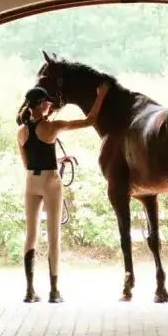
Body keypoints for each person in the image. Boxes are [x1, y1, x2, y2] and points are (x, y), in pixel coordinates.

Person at [16, 82, 108, 303]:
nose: (50, 104)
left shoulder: (21, 130)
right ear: (40, 105)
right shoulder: (52, 127)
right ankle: (54, 291)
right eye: (46, 102)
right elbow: (89, 121)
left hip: (31, 182)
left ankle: (29, 291)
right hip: (50, 181)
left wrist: (57, 160)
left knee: (30, 235)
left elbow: (29, 162)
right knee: (54, 236)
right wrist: (101, 96)